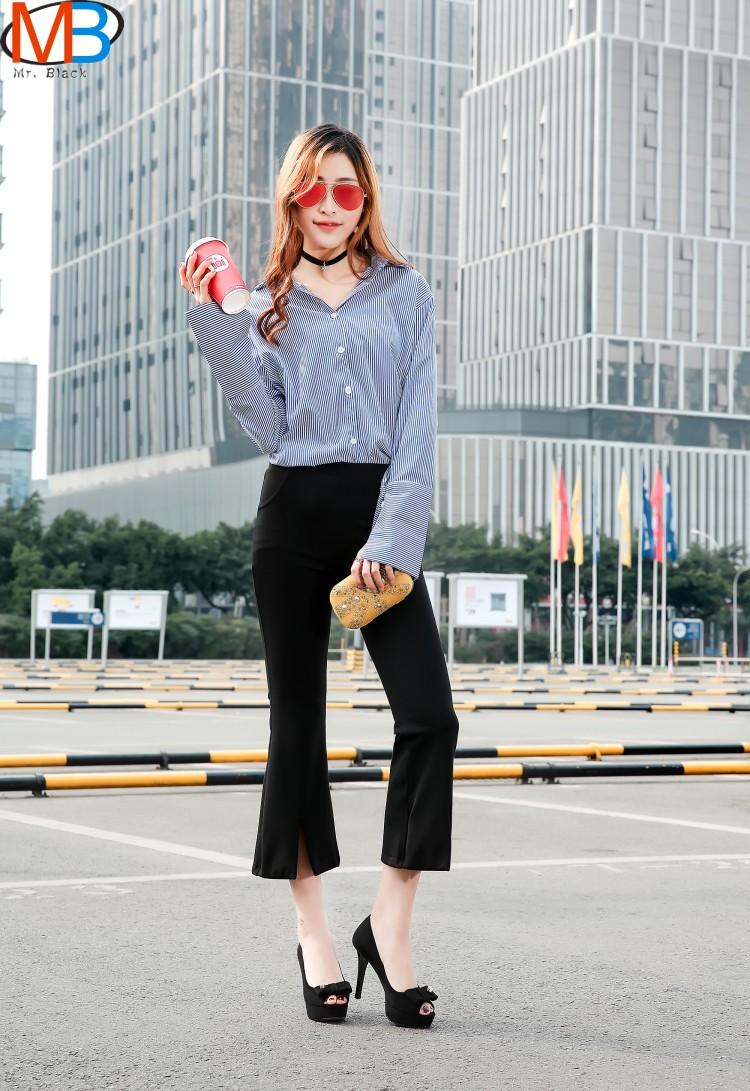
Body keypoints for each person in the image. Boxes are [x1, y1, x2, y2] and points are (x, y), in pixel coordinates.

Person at [179, 123, 459, 1028]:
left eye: (347, 189)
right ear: (292, 200)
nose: (330, 205)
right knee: (297, 728)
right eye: (314, 189)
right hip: (293, 518)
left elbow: (417, 429)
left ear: (365, 199)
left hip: (380, 522)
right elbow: (267, 425)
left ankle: (389, 927)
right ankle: (315, 937)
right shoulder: (265, 301)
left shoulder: (406, 293)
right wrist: (219, 324)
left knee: (431, 716)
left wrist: (394, 536)